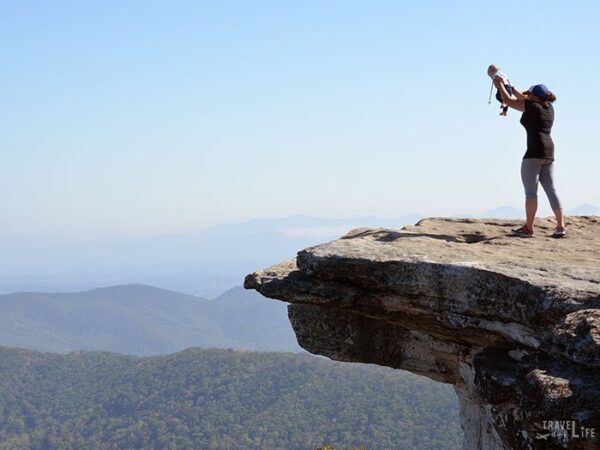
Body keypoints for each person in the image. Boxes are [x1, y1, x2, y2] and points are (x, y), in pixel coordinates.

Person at [494, 79, 566, 237]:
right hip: (549, 152)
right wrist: (509, 86)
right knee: (551, 188)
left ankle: (528, 228)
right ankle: (561, 226)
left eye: (529, 93)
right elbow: (523, 97)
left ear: (534, 96)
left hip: (533, 153)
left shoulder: (531, 106)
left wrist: (499, 85)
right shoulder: (549, 107)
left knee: (531, 193)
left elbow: (508, 101)